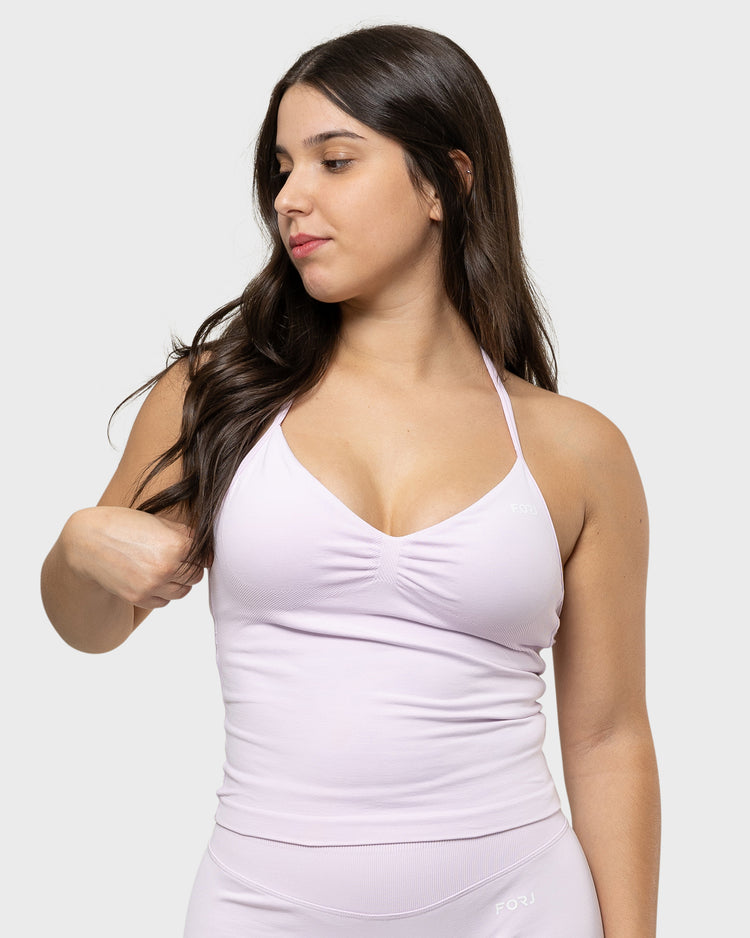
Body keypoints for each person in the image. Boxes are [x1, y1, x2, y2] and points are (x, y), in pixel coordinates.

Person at [40, 23, 660, 938]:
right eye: (282, 168)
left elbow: (609, 738)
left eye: (334, 161)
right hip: (263, 907)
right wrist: (79, 546)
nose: (290, 197)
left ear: (446, 182)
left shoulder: (577, 448)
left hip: (520, 905)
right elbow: (89, 628)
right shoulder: (218, 395)